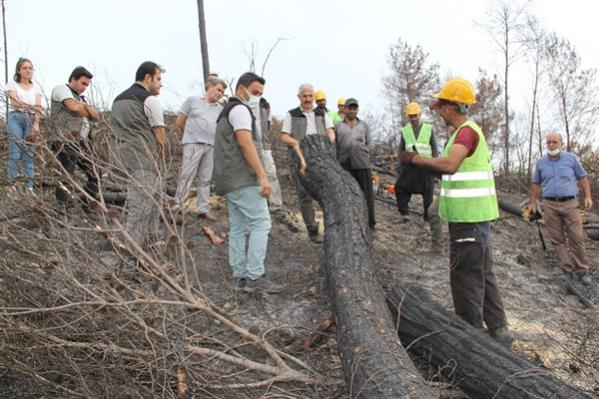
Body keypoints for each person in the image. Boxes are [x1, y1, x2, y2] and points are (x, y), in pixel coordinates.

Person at [399, 78, 513, 345]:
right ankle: (499, 330)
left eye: (441, 106)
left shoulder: (465, 133)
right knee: (483, 272)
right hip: (475, 218)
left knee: (465, 276)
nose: (439, 111)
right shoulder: (465, 132)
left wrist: (415, 159)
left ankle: (470, 338)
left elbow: (450, 165)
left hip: (468, 219)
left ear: (452, 107)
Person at [213, 71, 282, 294]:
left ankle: (240, 275)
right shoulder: (240, 110)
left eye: (260, 95)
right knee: (262, 222)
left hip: (227, 178)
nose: (257, 98)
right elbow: (245, 143)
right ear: (241, 88)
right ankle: (255, 276)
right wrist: (262, 176)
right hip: (242, 177)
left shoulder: (225, 111)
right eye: (254, 92)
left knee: (239, 227)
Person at [111, 61, 166, 247]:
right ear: (147, 77)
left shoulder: (117, 100)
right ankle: (133, 251)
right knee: (141, 208)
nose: (161, 83)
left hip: (122, 159)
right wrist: (160, 159)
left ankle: (151, 242)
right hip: (145, 160)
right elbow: (160, 137)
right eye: (158, 79)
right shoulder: (149, 100)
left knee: (148, 203)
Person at [527, 132, 593, 286]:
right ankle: (567, 269)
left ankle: (583, 270)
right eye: (549, 142)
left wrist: (588, 197)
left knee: (576, 238)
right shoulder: (541, 162)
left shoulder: (571, 158)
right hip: (550, 204)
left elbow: (583, 178)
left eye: (554, 142)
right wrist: (532, 203)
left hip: (570, 203)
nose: (551, 145)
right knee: (557, 239)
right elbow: (536, 183)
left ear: (561, 144)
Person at [280, 83, 335, 243]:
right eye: (305, 96)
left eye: (311, 96)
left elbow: (330, 131)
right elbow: (284, 136)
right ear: (299, 97)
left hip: (321, 160)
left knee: (327, 194)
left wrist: (328, 140)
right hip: (299, 160)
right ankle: (312, 229)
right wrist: (297, 144)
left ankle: (331, 227)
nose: (308, 99)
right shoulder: (292, 114)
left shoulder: (322, 113)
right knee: (304, 196)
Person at [172, 78, 227, 220]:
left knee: (206, 178)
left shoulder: (220, 110)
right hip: (193, 143)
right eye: (219, 89)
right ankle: (178, 204)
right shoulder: (193, 100)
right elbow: (180, 121)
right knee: (187, 174)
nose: (220, 93)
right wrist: (191, 135)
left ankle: (203, 209)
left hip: (211, 146)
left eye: (222, 91)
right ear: (210, 87)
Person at [50, 66, 100, 211]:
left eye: (87, 85)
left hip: (82, 142)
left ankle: (87, 206)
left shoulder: (81, 97)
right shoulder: (61, 89)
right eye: (83, 83)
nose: (84, 87)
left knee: (94, 173)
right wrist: (86, 108)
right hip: (65, 140)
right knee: (66, 174)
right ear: (73, 79)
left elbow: (96, 116)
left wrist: (83, 105)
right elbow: (74, 108)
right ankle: (61, 208)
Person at [395, 102, 442, 249]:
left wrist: (435, 165)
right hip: (410, 166)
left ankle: (427, 220)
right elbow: (401, 149)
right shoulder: (405, 131)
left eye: (415, 116)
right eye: (410, 116)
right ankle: (405, 214)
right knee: (400, 187)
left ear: (420, 115)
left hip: (426, 166)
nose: (413, 119)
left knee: (427, 194)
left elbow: (434, 148)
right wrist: (400, 165)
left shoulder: (428, 129)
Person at [334, 98, 376, 230]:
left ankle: (370, 224)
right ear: (344, 109)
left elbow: (371, 144)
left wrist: (363, 151)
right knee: (346, 194)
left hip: (362, 163)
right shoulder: (338, 125)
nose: (351, 111)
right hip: (344, 163)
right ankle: (349, 223)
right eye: (349, 108)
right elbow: (334, 145)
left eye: (354, 108)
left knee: (367, 194)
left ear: (357, 110)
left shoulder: (364, 125)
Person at [5, 57, 42, 192]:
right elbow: (15, 103)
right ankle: (12, 187)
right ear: (19, 70)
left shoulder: (36, 87)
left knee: (29, 154)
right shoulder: (12, 84)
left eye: (30, 68)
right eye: (25, 68)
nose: (28, 70)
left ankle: (29, 188)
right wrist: (30, 106)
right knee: (14, 153)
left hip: (31, 119)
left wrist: (36, 124)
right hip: (15, 118)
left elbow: (38, 107)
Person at [248, 96, 285, 216]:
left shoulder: (265, 105)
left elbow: (268, 124)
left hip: (265, 145)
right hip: (249, 145)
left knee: (271, 173)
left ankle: (276, 205)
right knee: (253, 174)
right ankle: (257, 205)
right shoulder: (242, 104)